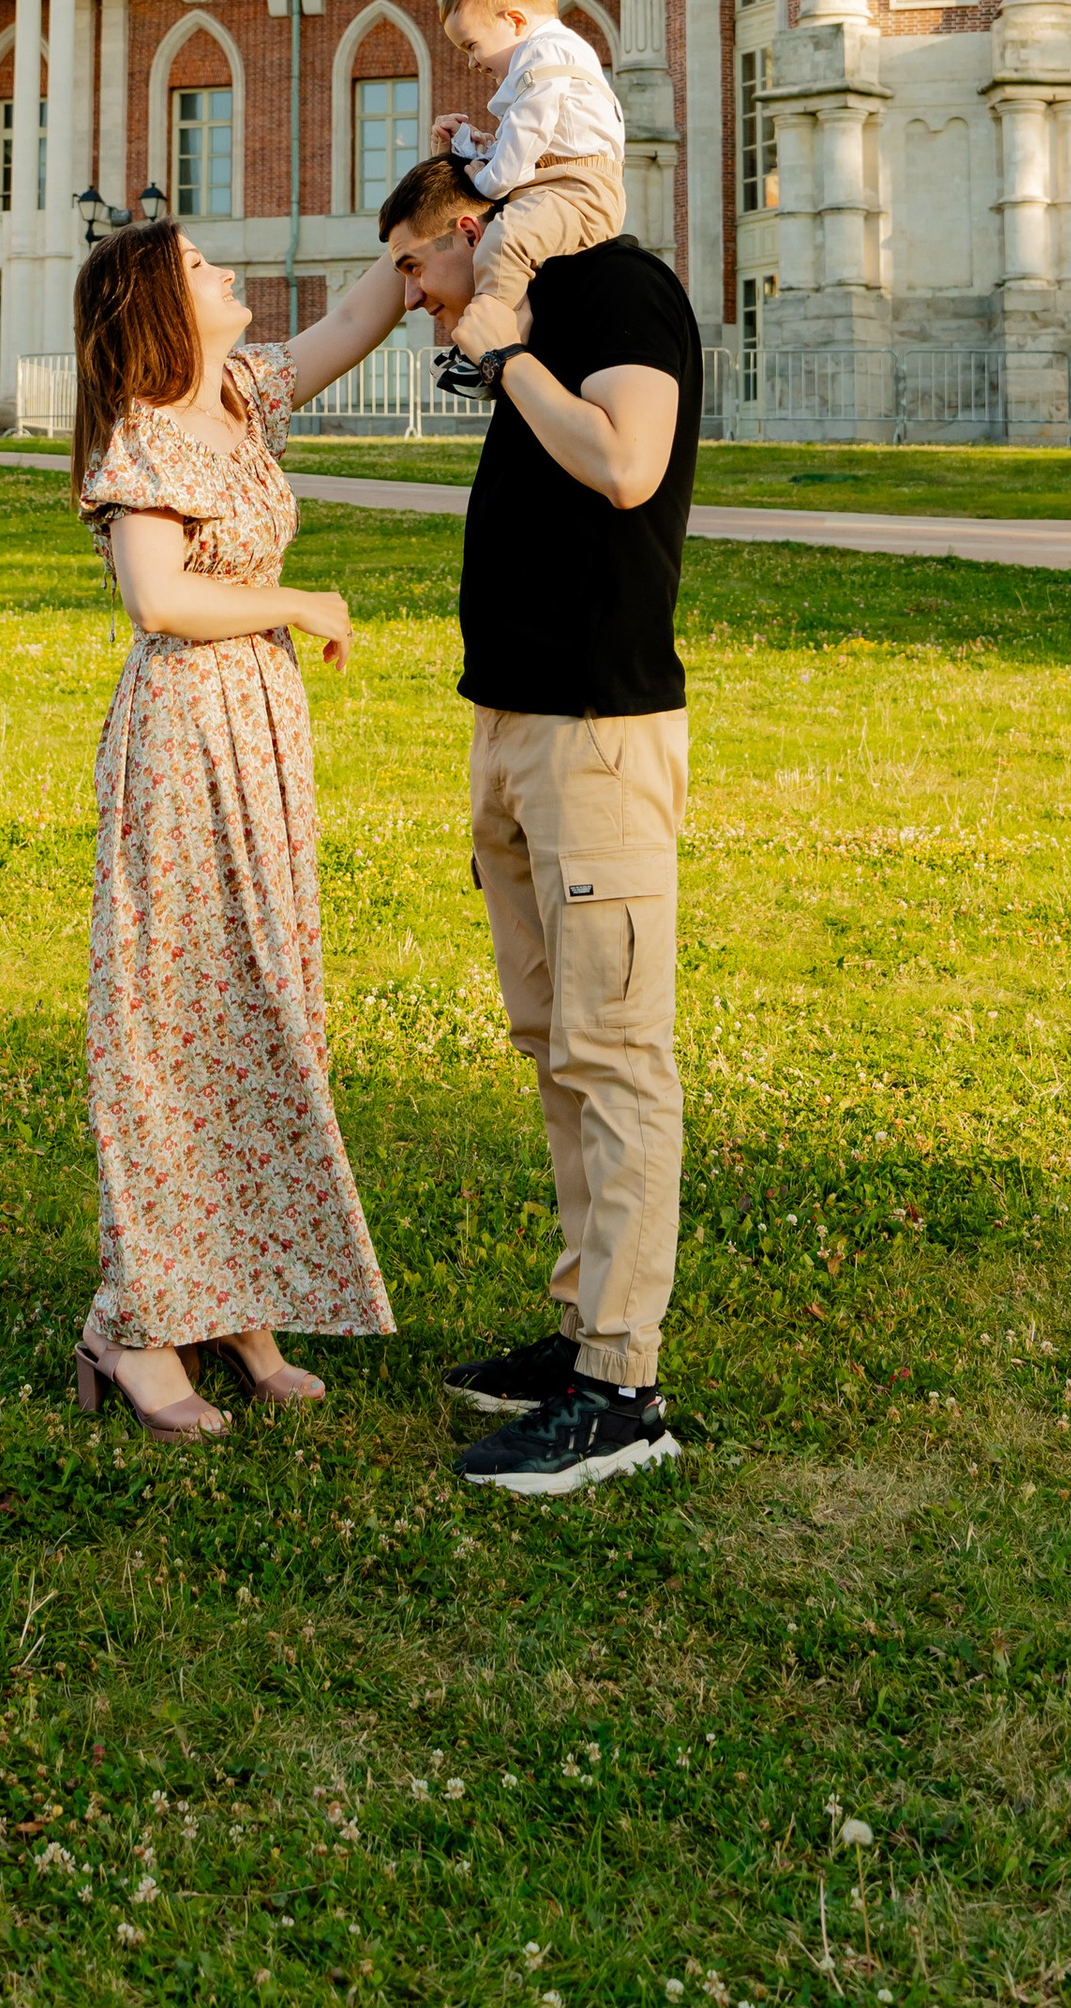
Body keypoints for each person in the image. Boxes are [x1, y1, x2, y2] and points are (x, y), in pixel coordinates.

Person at [378, 146, 701, 1499]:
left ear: (472, 228)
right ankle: (581, 1335)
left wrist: (506, 355)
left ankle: (623, 1392)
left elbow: (625, 464)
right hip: (512, 726)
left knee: (614, 1056)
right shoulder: (526, 313)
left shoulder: (616, 291)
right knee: (554, 1046)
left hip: (594, 732)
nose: (412, 296)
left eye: (415, 266)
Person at [69, 215, 413, 1440]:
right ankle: (137, 1326)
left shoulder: (242, 398)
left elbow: (360, 314)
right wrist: (296, 600)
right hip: (184, 736)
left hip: (257, 731)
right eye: (197, 266)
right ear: (158, 306)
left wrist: (439, 218)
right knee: (176, 1015)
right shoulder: (144, 431)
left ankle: (234, 1301)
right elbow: (158, 599)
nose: (223, 271)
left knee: (262, 1004)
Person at [426, 0, 626, 382]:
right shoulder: (549, 57)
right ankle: (517, 340)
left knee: (504, 242)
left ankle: (489, 348)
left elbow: (522, 144)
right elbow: (522, 142)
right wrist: (470, 147)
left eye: (472, 45)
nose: (472, 62)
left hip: (574, 191)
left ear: (515, 21)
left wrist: (482, 181)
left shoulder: (544, 53)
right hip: (561, 184)